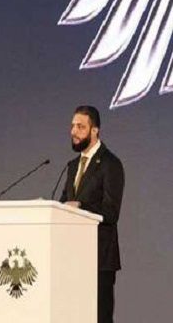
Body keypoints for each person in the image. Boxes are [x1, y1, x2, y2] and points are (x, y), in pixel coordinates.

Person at [59, 105, 124, 323]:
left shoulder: (110, 164)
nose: (73, 131)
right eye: (72, 126)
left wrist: (80, 206)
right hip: (72, 256)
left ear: (95, 130)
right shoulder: (72, 166)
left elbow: (111, 212)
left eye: (80, 127)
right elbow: (64, 204)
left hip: (99, 259)